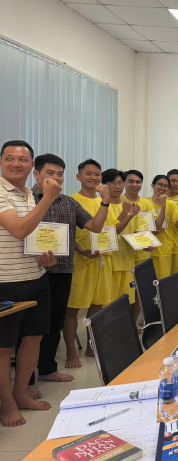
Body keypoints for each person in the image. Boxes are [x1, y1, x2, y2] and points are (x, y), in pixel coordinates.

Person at [26, 154, 108, 387]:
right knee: (30, 327)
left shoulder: (69, 203)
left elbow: (95, 226)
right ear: (36, 174)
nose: (56, 178)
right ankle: (27, 381)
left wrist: (105, 202)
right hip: (32, 271)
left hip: (62, 270)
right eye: (50, 173)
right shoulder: (26, 198)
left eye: (59, 174)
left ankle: (47, 368)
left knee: (55, 320)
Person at [0, 141, 60, 427]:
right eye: (9, 158)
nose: (16, 163)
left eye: (22, 159)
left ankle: (20, 393)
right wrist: (48, 198)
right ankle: (7, 404)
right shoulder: (1, 192)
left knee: (34, 337)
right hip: (6, 281)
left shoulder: (28, 195)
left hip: (35, 276)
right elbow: (18, 229)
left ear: (31, 165)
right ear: (1, 162)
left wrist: (42, 256)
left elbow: (30, 236)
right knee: (3, 347)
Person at [63, 159, 112, 368]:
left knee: (96, 307)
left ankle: (92, 346)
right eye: (88, 173)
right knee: (72, 310)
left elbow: (108, 231)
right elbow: (65, 233)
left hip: (101, 262)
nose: (93, 177)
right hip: (79, 262)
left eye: (97, 174)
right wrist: (81, 250)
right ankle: (71, 352)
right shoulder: (71, 201)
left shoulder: (104, 201)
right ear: (78, 176)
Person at [101, 170, 143, 322]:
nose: (117, 186)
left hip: (127, 260)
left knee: (125, 302)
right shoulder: (103, 206)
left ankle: (123, 331)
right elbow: (109, 233)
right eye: (113, 183)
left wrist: (146, 244)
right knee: (108, 305)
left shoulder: (131, 206)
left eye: (120, 182)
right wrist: (126, 213)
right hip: (109, 263)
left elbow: (136, 232)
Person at [145, 175, 178, 279]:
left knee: (162, 282)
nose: (163, 188)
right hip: (147, 249)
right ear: (153, 185)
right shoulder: (145, 202)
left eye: (166, 186)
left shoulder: (171, 204)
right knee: (147, 283)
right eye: (160, 185)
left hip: (164, 249)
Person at [123, 170, 158, 266]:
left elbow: (151, 227)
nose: (134, 185)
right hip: (123, 254)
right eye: (131, 181)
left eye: (138, 182)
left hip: (143, 253)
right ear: (124, 183)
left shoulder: (146, 203)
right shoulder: (118, 201)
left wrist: (149, 242)